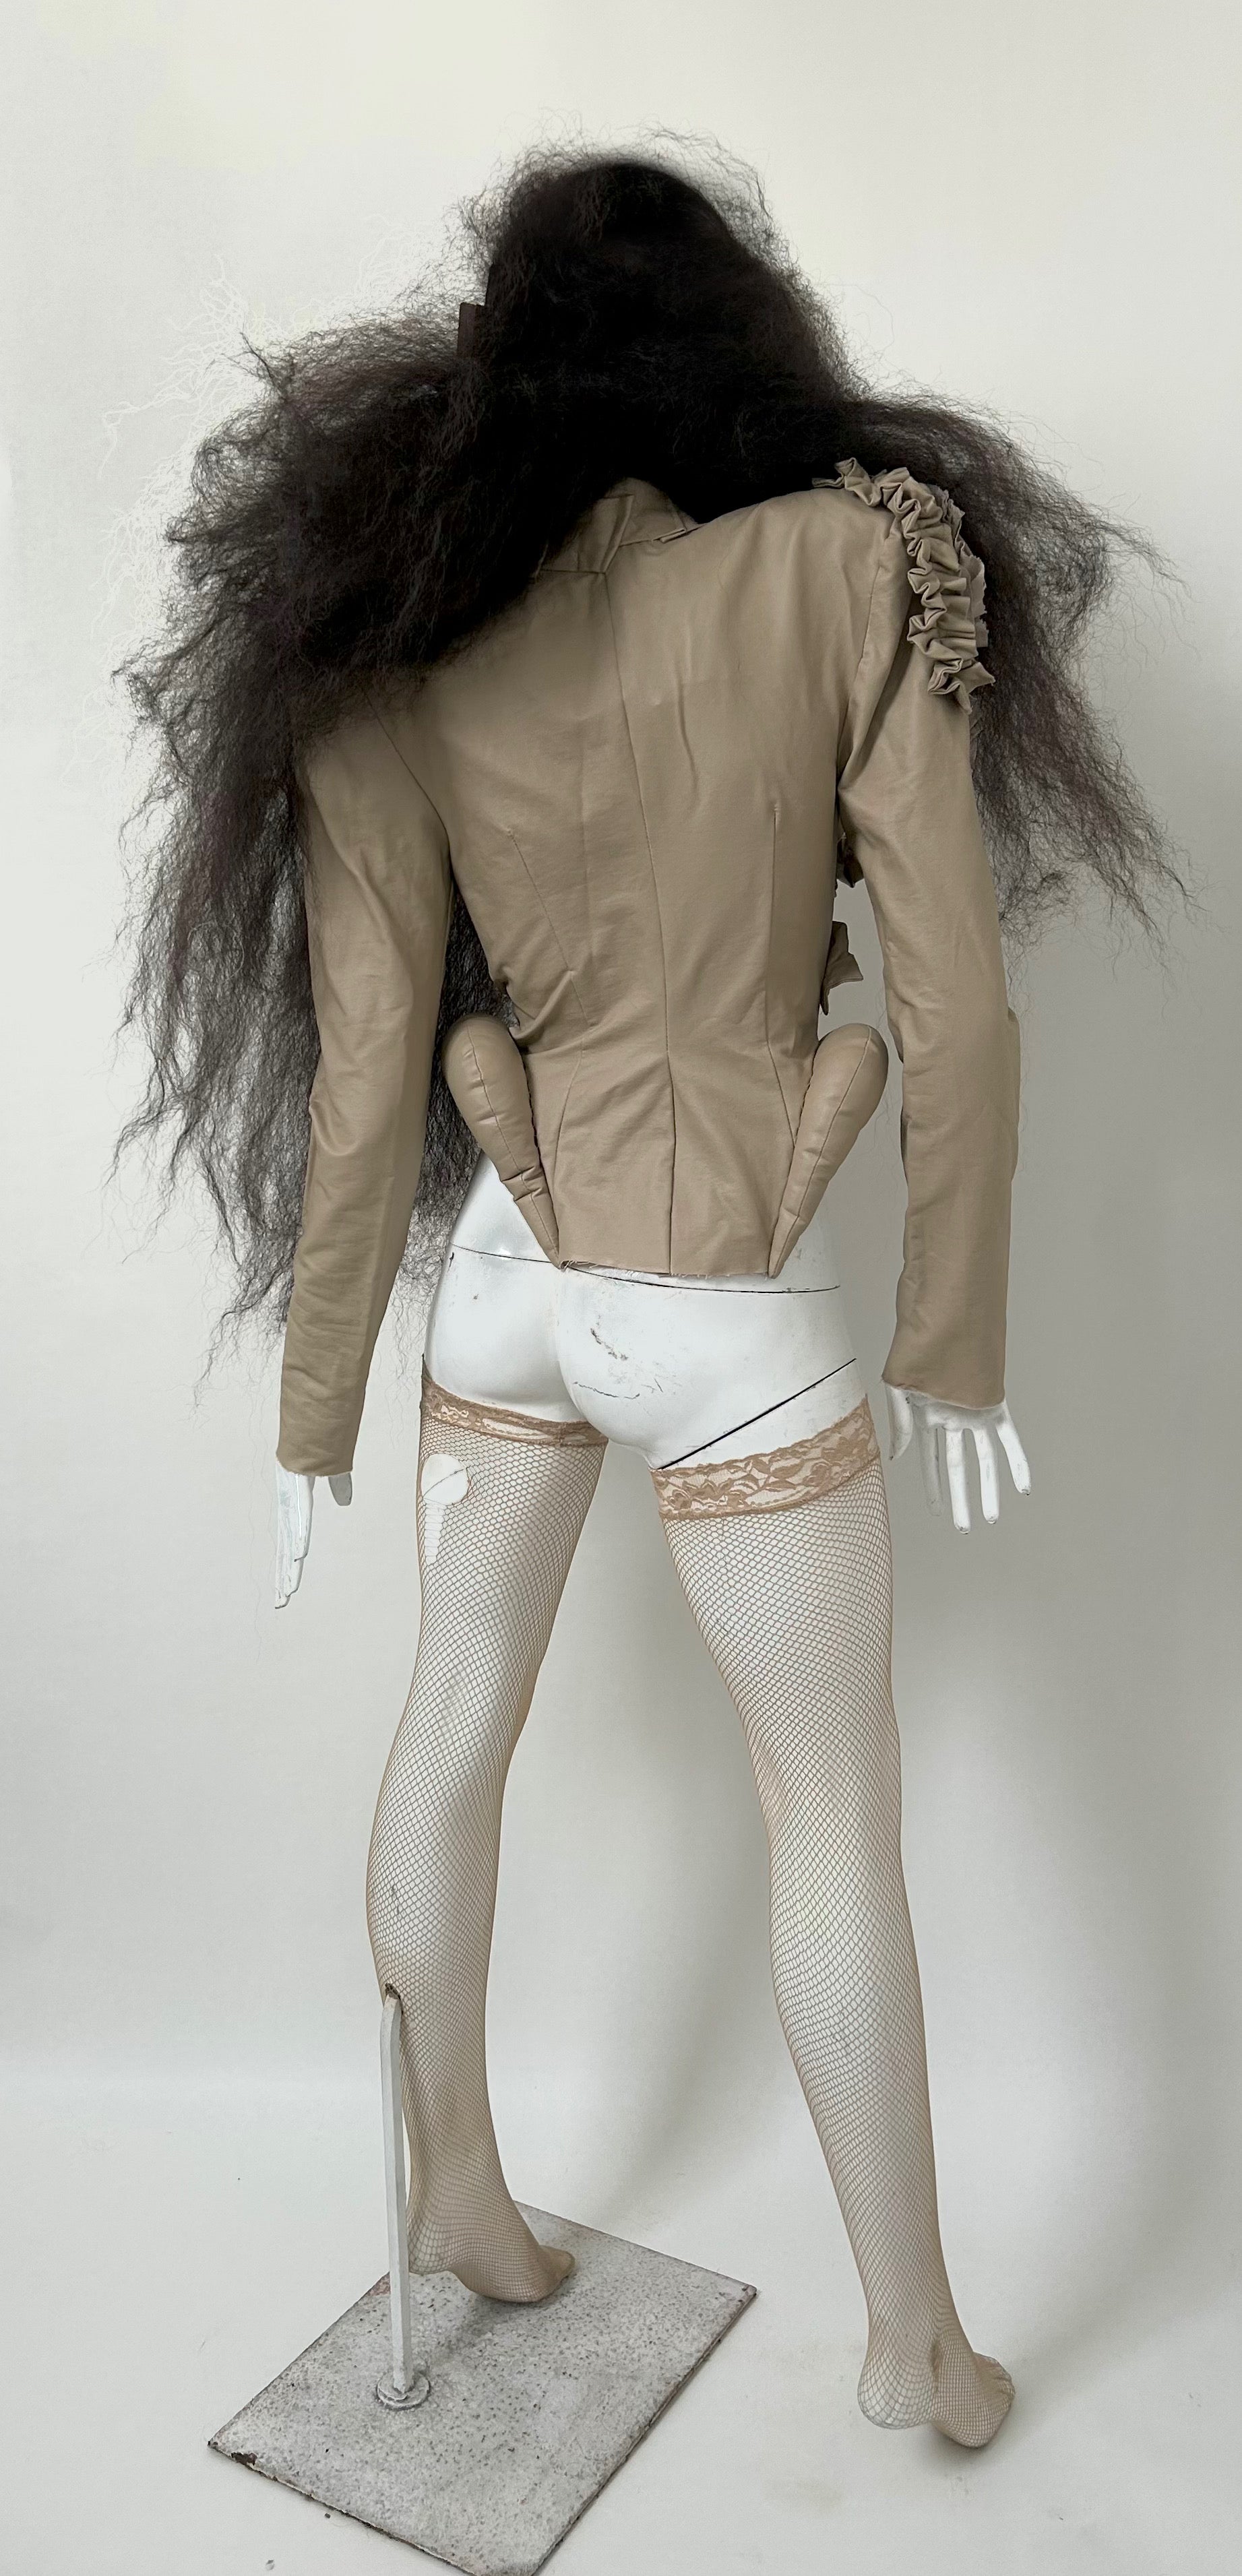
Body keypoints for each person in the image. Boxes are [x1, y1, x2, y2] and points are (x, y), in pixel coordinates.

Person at [119, 148, 1175, 2450]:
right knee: (827, 1809)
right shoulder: (839, 567)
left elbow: (370, 1075)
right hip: (730, 1306)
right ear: (734, 346)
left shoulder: (394, 642)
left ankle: (455, 2194)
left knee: (448, 1723)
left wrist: (316, 1407)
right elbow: (950, 1000)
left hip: (504, 1288)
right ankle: (912, 2340)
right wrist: (953, 1337)